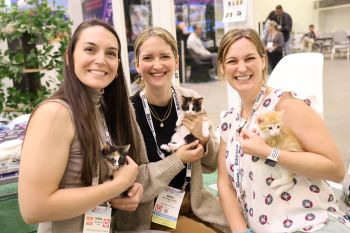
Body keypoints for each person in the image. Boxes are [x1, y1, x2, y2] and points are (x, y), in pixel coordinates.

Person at [18, 19, 163, 233]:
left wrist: (131, 191)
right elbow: (33, 209)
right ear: (69, 57)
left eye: (111, 53)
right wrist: (115, 186)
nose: (101, 60)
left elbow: (103, 180)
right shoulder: (54, 113)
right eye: (90, 49)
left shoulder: (106, 109)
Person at [216, 28, 350, 233]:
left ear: (262, 61)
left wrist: (270, 152)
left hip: (310, 225)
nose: (241, 68)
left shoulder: (285, 106)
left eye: (249, 58)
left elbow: (336, 170)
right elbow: (224, 184)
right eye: (232, 61)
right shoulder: (229, 120)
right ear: (222, 68)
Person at [130, 27, 229, 233]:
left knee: (245, 225)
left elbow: (211, 165)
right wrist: (177, 160)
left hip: (194, 202)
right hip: (152, 212)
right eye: (148, 57)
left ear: (176, 60)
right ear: (137, 64)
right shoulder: (128, 112)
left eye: (165, 56)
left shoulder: (190, 98)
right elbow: (133, 183)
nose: (157, 65)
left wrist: (204, 140)